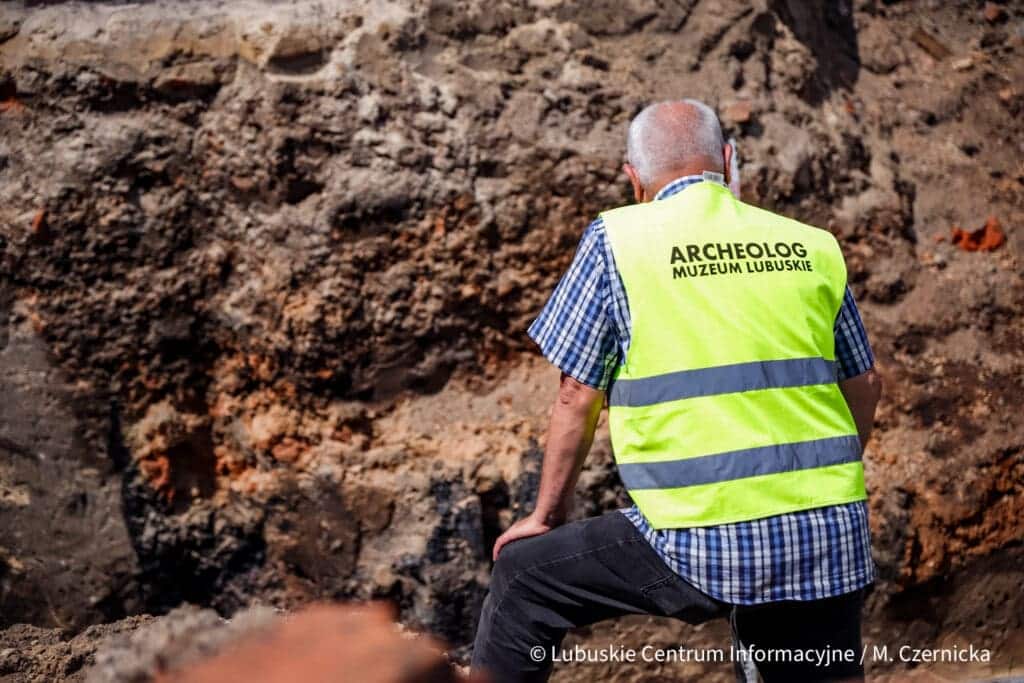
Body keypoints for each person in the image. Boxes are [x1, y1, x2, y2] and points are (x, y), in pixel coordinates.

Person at [470, 100, 883, 683]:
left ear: (633, 178)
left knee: (524, 577)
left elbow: (576, 398)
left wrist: (547, 513)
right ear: (728, 161)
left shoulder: (619, 240)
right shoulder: (811, 244)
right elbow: (865, 383)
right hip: (830, 532)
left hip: (701, 539)